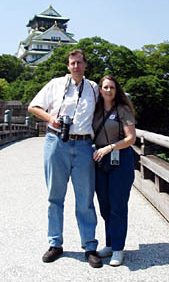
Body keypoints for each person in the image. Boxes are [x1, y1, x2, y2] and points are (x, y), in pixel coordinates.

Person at [28, 49, 103, 268]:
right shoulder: (55, 84)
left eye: (79, 62)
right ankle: (55, 243)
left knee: (85, 199)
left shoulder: (93, 88)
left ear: (85, 64)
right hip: (56, 143)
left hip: (83, 145)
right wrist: (51, 118)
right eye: (72, 63)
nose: (76, 66)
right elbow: (33, 107)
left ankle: (90, 245)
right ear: (67, 66)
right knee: (54, 196)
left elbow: (105, 109)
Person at [93, 75, 136, 267]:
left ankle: (118, 248)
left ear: (116, 90)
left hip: (120, 159)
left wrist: (110, 148)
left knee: (118, 205)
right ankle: (110, 243)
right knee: (105, 205)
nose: (108, 90)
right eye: (105, 87)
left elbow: (131, 138)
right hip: (101, 161)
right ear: (100, 90)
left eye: (111, 87)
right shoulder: (96, 110)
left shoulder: (123, 109)